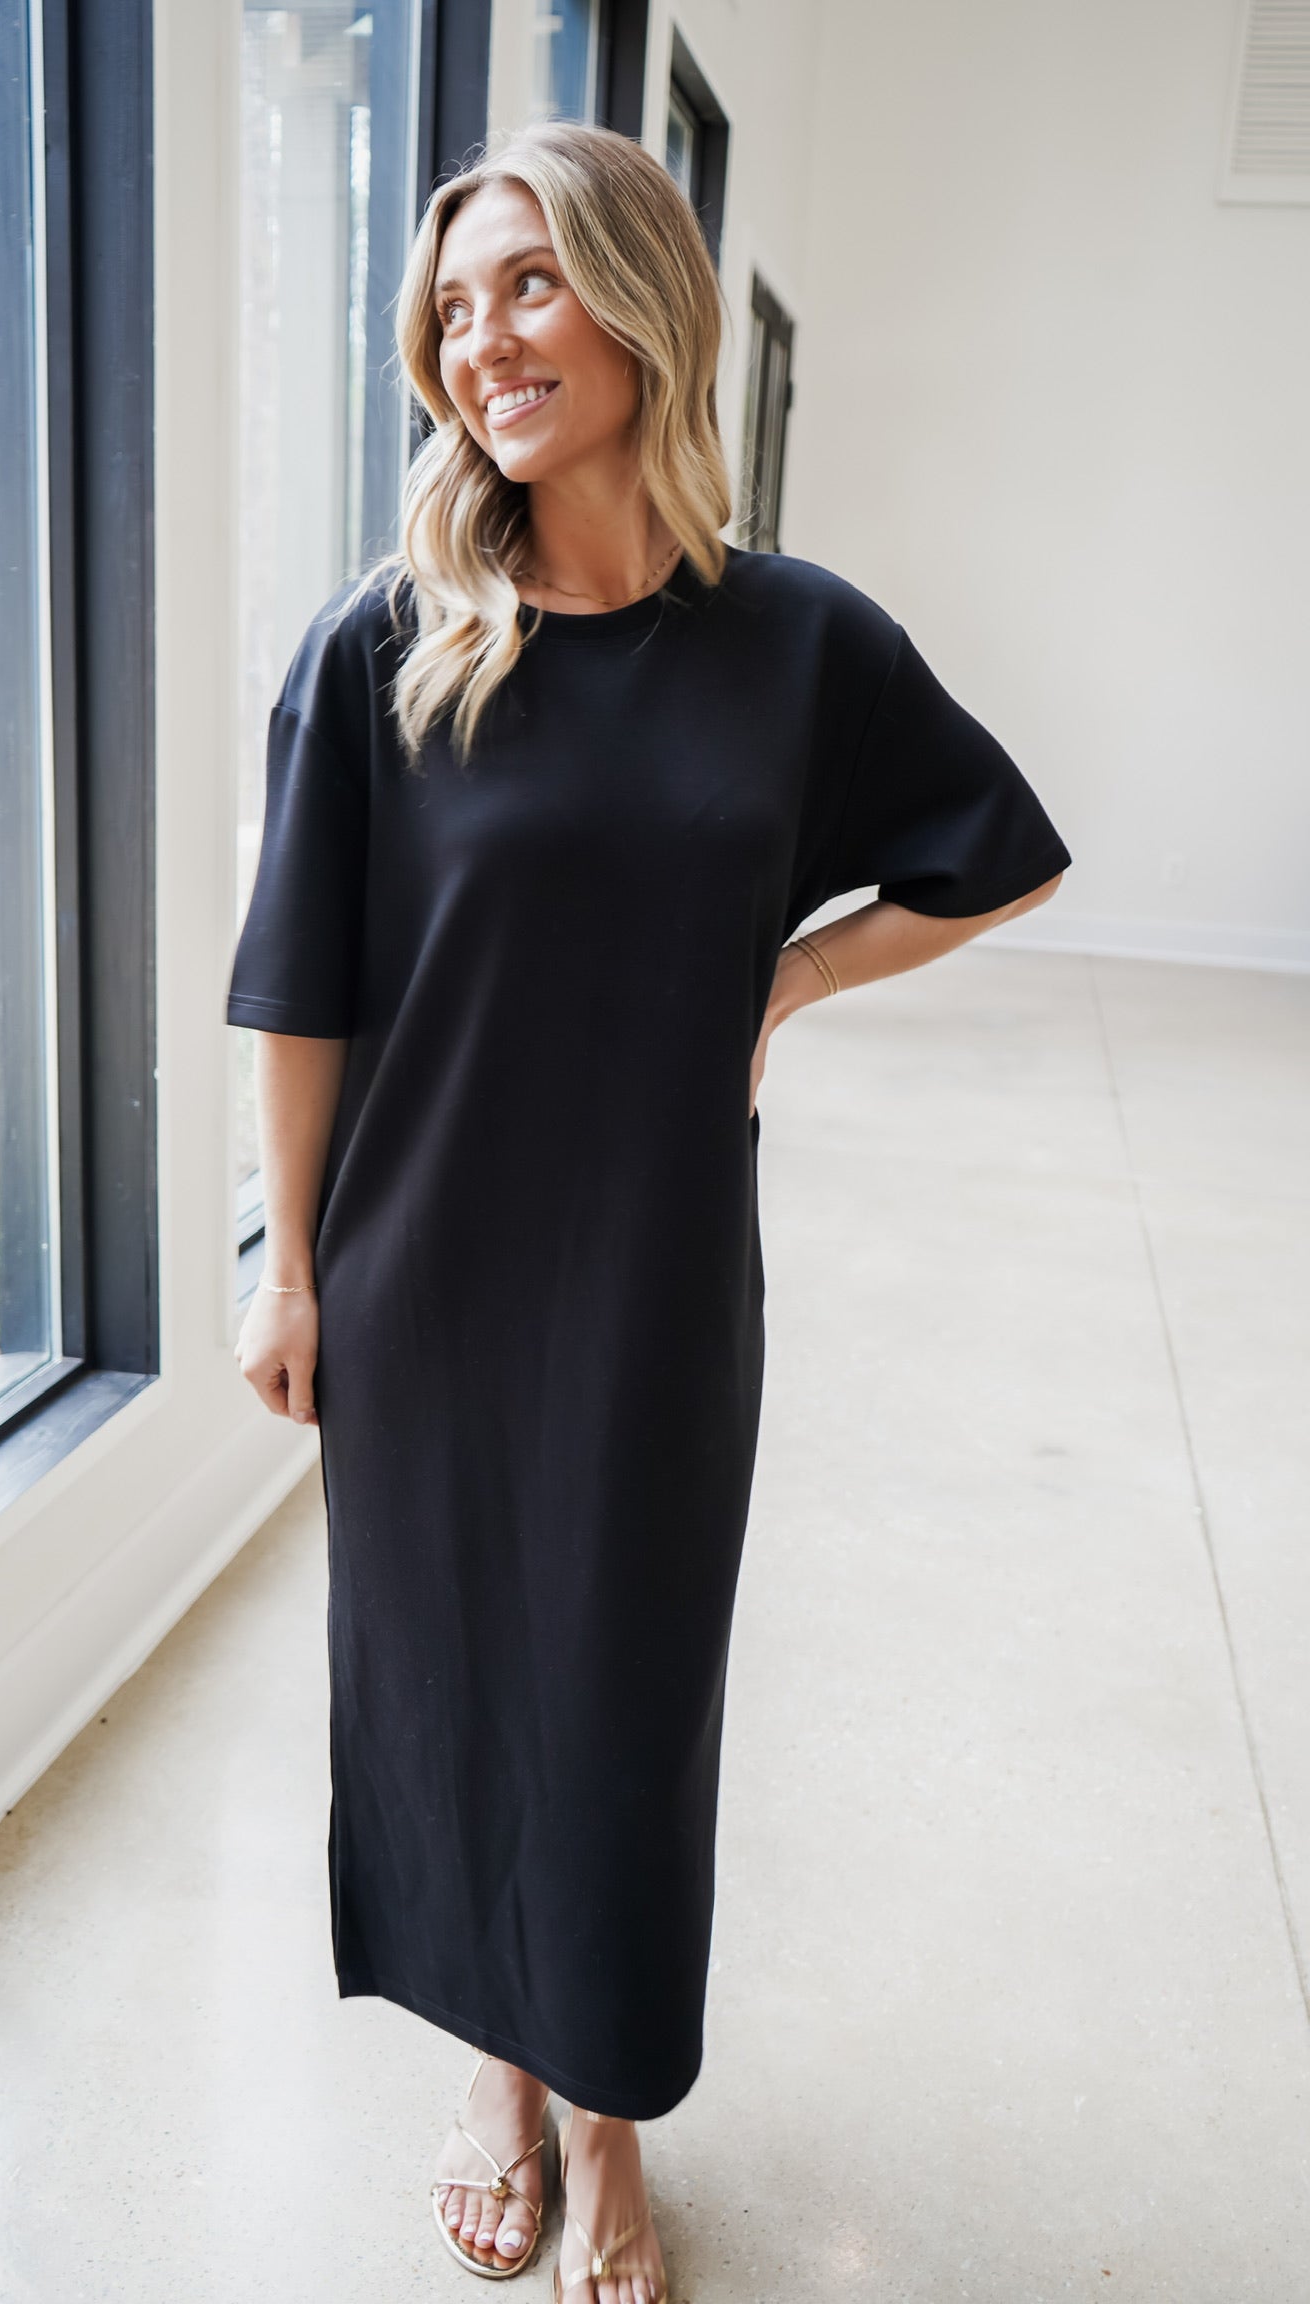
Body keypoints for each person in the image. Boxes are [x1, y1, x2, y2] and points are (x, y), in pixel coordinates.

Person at [228, 119, 1069, 2304]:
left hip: (659, 1282)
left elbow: (999, 856)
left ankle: (607, 2110)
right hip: (423, 1276)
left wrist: (790, 975)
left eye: (529, 283)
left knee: (619, 1704)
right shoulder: (384, 646)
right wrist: (288, 1269)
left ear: (641, 301)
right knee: (445, 1693)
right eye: (453, 305)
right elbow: (299, 992)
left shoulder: (796, 641)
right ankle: (496, 2076)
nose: (484, 339)